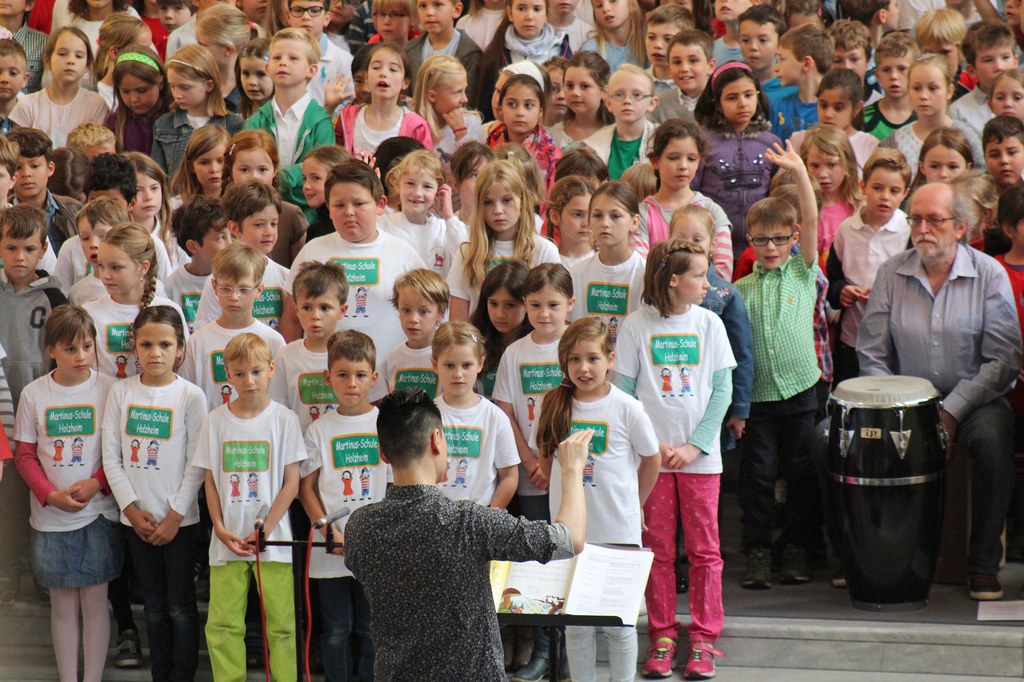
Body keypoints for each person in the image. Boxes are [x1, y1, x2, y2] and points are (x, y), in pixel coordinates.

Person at [344, 387, 590, 681]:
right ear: (437, 439)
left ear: (382, 453)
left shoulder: (359, 527)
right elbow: (569, 539)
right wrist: (572, 469)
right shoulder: (468, 521)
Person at [857, 181, 1022, 601]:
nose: (923, 228)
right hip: (903, 403)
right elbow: (872, 354)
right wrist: (898, 408)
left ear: (961, 226)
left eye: (935, 219)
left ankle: (982, 563)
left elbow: (1002, 360)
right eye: (916, 219)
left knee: (992, 439)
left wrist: (950, 411)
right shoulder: (892, 272)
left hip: (974, 400)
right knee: (828, 439)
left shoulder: (989, 273)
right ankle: (871, 559)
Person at [613, 237, 736, 681]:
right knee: (657, 549)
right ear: (673, 280)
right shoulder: (635, 326)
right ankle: (662, 635)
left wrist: (694, 446)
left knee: (705, 551)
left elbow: (722, 392)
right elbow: (623, 394)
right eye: (701, 275)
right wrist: (654, 446)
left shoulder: (710, 325)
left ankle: (703, 639)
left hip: (700, 462)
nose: (708, 283)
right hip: (652, 463)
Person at [532, 317, 660, 682]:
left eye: (592, 358)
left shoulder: (627, 407)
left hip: (618, 531)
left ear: (610, 359)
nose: (583, 368)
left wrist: (636, 505)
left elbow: (652, 458)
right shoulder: (554, 405)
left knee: (619, 626)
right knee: (576, 625)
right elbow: (545, 457)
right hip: (571, 536)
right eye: (574, 360)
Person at [13, 304, 120, 682]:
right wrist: (49, 494)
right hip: (50, 517)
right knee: (62, 604)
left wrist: (97, 483)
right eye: (71, 349)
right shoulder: (34, 394)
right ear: (50, 350)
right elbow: (24, 454)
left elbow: (118, 451)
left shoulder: (110, 389)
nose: (81, 356)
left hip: (98, 513)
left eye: (87, 347)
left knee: (95, 601)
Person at [100, 305, 206, 682]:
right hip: (137, 522)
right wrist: (130, 509)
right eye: (146, 344)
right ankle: (161, 673)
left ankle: (183, 675)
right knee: (155, 607)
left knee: (180, 605)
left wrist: (176, 515)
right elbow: (111, 457)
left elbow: (197, 462)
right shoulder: (121, 393)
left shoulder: (191, 396)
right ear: (135, 346)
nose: (155, 352)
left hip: (180, 522)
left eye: (165, 344)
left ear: (180, 349)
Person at [192, 332, 306, 681]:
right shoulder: (215, 421)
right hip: (227, 542)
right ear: (228, 374)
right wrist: (219, 528)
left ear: (272, 369)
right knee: (223, 624)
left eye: (256, 371)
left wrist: (266, 530)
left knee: (283, 625)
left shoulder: (284, 419)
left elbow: (292, 483)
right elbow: (210, 481)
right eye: (239, 373)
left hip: (273, 542)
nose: (249, 380)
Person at [734, 139, 820, 589]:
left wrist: (801, 172)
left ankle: (796, 548)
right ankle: (759, 551)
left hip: (802, 392)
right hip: (760, 402)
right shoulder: (742, 289)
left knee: (802, 475)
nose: (771, 247)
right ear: (750, 240)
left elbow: (811, 216)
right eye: (762, 239)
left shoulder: (804, 271)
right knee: (759, 479)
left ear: (794, 240)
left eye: (780, 239)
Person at [298, 329, 383, 682]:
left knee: (369, 629)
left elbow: (396, 483)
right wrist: (325, 529)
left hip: (375, 546)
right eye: (343, 375)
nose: (351, 383)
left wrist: (380, 530)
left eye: (360, 375)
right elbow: (307, 488)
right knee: (335, 631)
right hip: (329, 548)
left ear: (374, 379)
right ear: (328, 377)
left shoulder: (383, 424)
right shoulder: (319, 429)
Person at [180, 241, 287, 410]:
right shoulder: (198, 341)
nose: (234, 297)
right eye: (227, 288)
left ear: (259, 290)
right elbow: (188, 397)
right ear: (215, 287)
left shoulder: (273, 340)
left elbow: (280, 399)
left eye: (244, 290)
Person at [268, 261, 349, 433]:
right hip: (299, 451)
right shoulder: (285, 356)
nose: (315, 316)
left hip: (340, 450)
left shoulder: (352, 354)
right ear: (296, 310)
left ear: (342, 310)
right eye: (307, 308)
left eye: (325, 308)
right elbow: (277, 410)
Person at [164, 195, 232, 332]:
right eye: (221, 238)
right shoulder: (171, 286)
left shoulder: (233, 280)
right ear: (193, 247)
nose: (230, 244)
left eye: (231, 236)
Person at [379, 268, 448, 396]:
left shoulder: (450, 355)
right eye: (406, 310)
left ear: (441, 312)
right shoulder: (390, 361)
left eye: (423, 312)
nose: (413, 319)